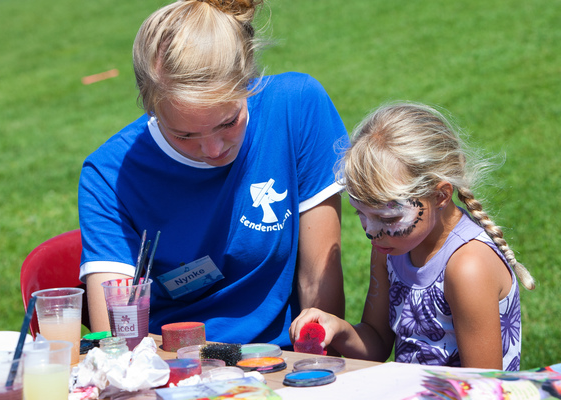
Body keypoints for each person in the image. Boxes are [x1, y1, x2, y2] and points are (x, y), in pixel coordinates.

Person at [78, 0, 348, 347]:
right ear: (150, 108)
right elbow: (117, 339)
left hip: (283, 362)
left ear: (248, 81)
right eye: (185, 135)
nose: (214, 150)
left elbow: (319, 292)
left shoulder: (295, 108)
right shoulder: (110, 175)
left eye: (228, 122)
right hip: (174, 367)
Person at [290, 102, 535, 370]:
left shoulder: (467, 268)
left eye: (389, 218)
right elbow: (378, 342)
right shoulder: (390, 248)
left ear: (441, 195)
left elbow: (482, 386)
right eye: (360, 213)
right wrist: (337, 329)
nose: (371, 232)